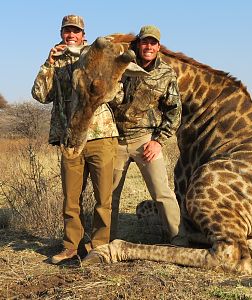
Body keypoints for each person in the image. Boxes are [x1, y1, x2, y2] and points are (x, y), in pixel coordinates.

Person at [31, 15, 119, 264]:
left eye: (75, 31)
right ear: (61, 33)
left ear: (83, 34)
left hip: (100, 135)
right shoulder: (55, 61)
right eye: (67, 30)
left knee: (104, 198)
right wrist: (48, 63)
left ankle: (99, 248)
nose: (71, 35)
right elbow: (40, 95)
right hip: (70, 140)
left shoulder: (98, 54)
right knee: (71, 199)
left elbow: (115, 90)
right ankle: (71, 247)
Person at [110, 25, 186, 245]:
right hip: (116, 140)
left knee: (162, 194)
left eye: (153, 43)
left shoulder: (166, 73)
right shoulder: (121, 66)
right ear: (138, 44)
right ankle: (103, 242)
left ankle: (179, 242)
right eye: (145, 42)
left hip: (145, 142)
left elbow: (174, 111)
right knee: (109, 197)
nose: (149, 46)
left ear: (159, 47)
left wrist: (159, 142)